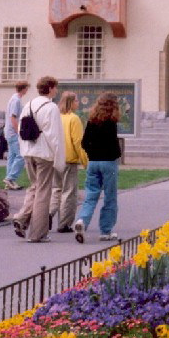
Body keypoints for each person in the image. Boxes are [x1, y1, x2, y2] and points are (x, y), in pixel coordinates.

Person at [13, 76, 65, 243]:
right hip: (44, 153)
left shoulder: (28, 104)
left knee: (34, 187)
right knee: (43, 192)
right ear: (50, 88)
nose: (56, 91)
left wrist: (24, 151)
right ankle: (38, 233)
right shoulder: (51, 107)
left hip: (28, 151)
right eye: (55, 88)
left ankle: (22, 218)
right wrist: (59, 159)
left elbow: (21, 129)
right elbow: (55, 136)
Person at [74, 92, 121, 243]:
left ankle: (82, 220)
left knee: (91, 195)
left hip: (93, 162)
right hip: (108, 162)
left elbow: (84, 142)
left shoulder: (92, 121)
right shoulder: (111, 122)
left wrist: (92, 153)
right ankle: (105, 230)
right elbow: (114, 145)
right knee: (110, 197)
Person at [49, 91, 88, 233]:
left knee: (56, 189)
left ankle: (49, 213)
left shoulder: (57, 117)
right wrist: (85, 161)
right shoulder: (74, 119)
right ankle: (64, 223)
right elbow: (78, 142)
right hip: (69, 159)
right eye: (76, 100)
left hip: (55, 158)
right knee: (69, 192)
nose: (78, 103)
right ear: (71, 103)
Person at [3, 81, 29, 190]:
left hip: (9, 132)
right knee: (21, 156)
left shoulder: (14, 99)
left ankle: (9, 181)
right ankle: (10, 178)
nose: (27, 90)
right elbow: (13, 117)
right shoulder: (16, 100)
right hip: (13, 133)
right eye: (27, 88)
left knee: (12, 157)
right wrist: (19, 131)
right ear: (24, 89)